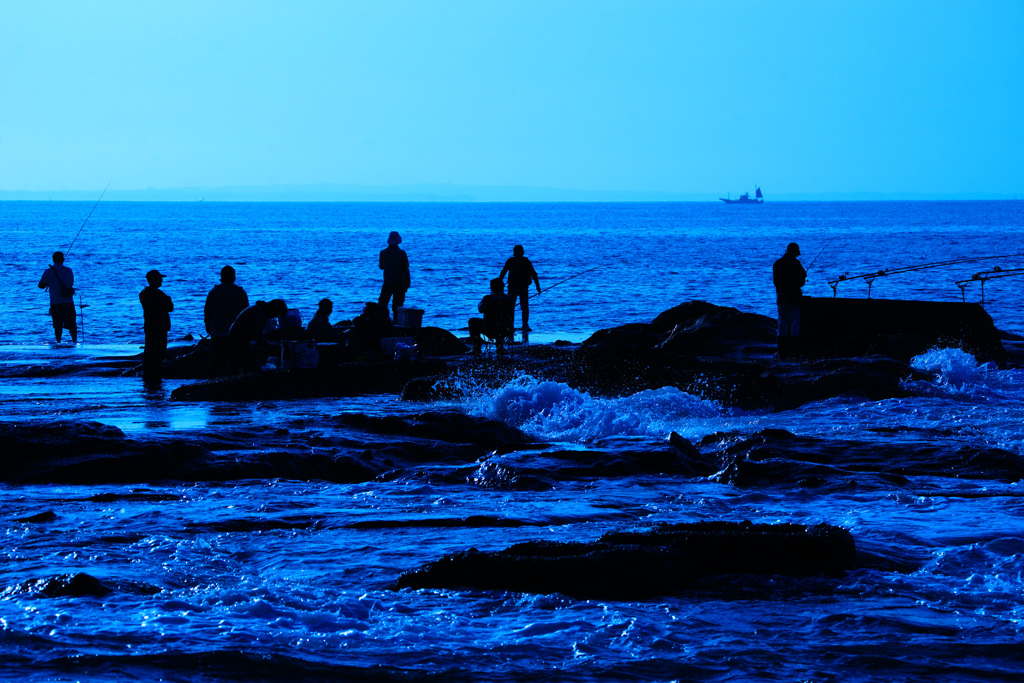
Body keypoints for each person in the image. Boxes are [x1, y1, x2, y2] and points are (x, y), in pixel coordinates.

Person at [204, 265, 249, 376]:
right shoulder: (240, 292)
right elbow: (246, 313)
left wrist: (208, 326)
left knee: (215, 358)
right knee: (232, 358)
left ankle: (212, 379)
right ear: (234, 277)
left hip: (217, 329)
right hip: (234, 331)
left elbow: (207, 310)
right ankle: (230, 379)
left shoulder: (213, 291)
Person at [226, 299, 288, 373]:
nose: (274, 316)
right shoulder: (260, 313)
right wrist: (266, 346)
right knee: (245, 364)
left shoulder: (260, 309)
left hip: (238, 337)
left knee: (236, 363)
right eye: (277, 314)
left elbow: (256, 333)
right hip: (238, 339)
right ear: (274, 309)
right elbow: (254, 333)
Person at [139, 269, 173, 385]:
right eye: (159, 278)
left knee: (150, 352)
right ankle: (154, 378)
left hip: (150, 327)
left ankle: (149, 378)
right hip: (159, 328)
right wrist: (168, 299)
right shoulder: (159, 295)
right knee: (158, 354)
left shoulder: (144, 294)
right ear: (154, 280)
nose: (161, 280)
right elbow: (170, 307)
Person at [773, 242, 807, 359]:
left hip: (781, 298)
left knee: (782, 325)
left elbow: (775, 282)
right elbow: (802, 280)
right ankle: (794, 352)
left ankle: (781, 352)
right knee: (794, 325)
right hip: (794, 298)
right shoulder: (796, 263)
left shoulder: (777, 263)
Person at [38, 251, 78, 343]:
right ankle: (75, 341)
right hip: (68, 302)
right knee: (72, 325)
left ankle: (58, 342)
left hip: (56, 302)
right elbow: (71, 283)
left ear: (53, 259)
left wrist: (49, 283)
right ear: (63, 259)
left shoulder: (48, 271)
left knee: (57, 325)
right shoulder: (69, 270)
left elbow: (40, 285)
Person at [499, 245, 541, 332]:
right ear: (522, 252)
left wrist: (499, 284)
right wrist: (537, 287)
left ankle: (512, 325)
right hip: (519, 288)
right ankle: (523, 324)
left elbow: (503, 272)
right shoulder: (525, 261)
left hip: (517, 288)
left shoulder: (512, 261)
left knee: (512, 307)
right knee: (523, 307)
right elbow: (534, 274)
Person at [469, 278, 515, 355]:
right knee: (500, 323)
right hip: (506, 330)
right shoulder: (509, 299)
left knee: (472, 321)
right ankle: (499, 347)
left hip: (491, 329)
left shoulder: (487, 298)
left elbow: (480, 309)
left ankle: (476, 348)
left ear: (492, 288)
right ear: (502, 287)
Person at [378, 231, 410, 321]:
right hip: (400, 283)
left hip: (387, 282)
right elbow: (406, 270)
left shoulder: (383, 253)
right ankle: (397, 322)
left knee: (382, 303)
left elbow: (381, 267)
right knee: (397, 306)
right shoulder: (402, 253)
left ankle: (382, 322)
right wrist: (407, 283)